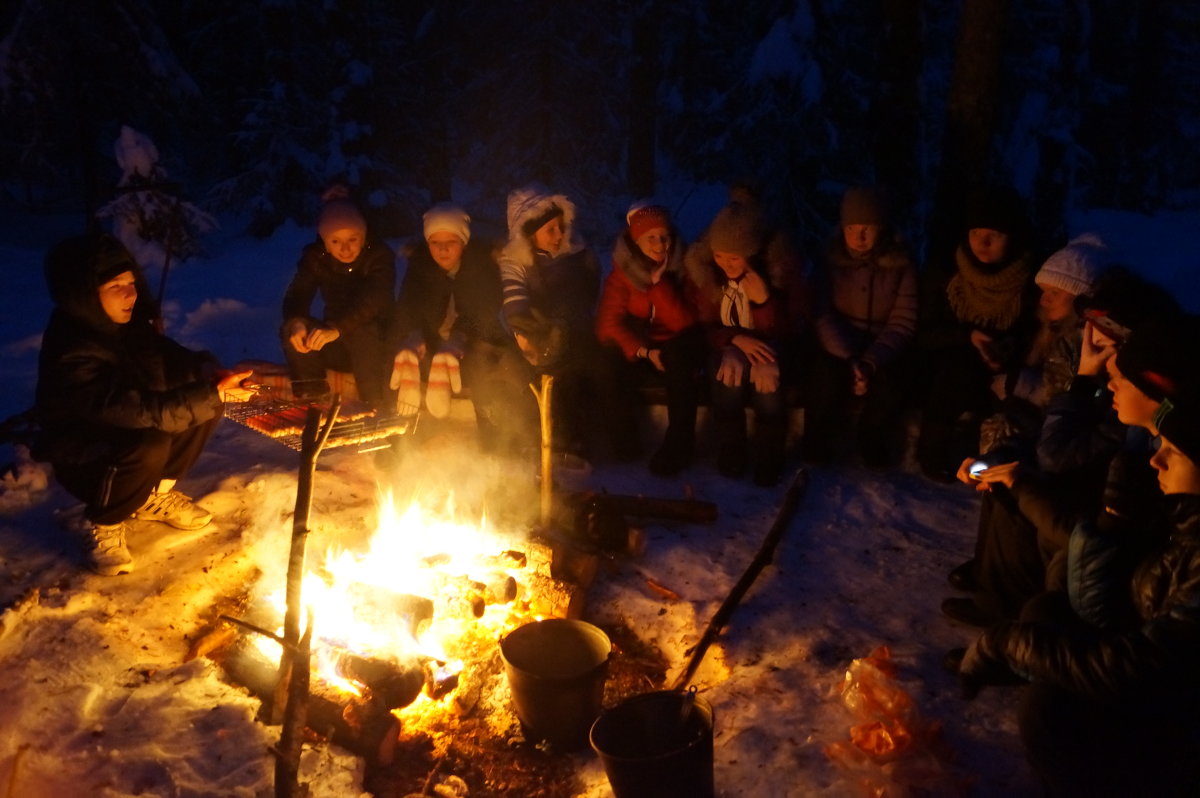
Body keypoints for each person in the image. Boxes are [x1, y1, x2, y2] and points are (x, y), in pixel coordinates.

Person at [951, 371, 1200, 796]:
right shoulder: (1183, 518)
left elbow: (1138, 668)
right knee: (1047, 613)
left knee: (1048, 708)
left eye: (1172, 454)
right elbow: (1122, 596)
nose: (1158, 459)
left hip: (1183, 727)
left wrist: (1010, 645)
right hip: (1160, 670)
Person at [942, 270, 1180, 628]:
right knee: (1003, 468)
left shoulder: (1139, 402)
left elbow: (1056, 457)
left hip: (1108, 521)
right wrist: (997, 456)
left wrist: (1083, 380)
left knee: (1024, 485)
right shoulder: (1110, 383)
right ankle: (993, 578)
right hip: (1089, 489)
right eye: (1088, 328)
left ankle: (1013, 608)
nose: (1088, 339)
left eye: (1101, 336)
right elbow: (1047, 429)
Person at [33, 233, 252, 576]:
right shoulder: (73, 352)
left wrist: (207, 370)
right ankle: (104, 521)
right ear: (87, 295)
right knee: (150, 439)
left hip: (124, 428)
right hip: (82, 453)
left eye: (132, 282)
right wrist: (212, 395)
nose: (131, 294)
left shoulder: (125, 324)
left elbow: (165, 354)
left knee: (204, 397)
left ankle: (151, 495)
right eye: (115, 285)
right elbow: (139, 410)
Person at [683, 187, 806, 486]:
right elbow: (704, 326)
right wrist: (735, 342)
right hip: (726, 347)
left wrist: (763, 302)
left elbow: (793, 327)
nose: (726, 263)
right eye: (720, 255)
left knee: (767, 382)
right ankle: (732, 448)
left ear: (751, 254)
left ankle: (769, 454)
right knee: (727, 376)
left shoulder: (781, 272)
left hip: (774, 346)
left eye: (735, 258)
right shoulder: (708, 277)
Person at [916, 186, 1039, 480]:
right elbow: (926, 330)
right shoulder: (950, 274)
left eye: (993, 236)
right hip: (948, 361)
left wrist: (1008, 348)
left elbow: (1035, 330)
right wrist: (967, 336)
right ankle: (933, 455)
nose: (982, 243)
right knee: (957, 372)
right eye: (975, 233)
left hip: (1004, 364)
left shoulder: (1028, 281)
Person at [389, 202, 531, 452]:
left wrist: (457, 340)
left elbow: (483, 312)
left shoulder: (481, 265)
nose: (442, 250)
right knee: (401, 358)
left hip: (474, 341)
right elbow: (408, 308)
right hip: (433, 344)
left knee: (485, 366)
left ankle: (497, 442)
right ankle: (400, 443)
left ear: (463, 243)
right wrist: (414, 337)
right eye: (435, 243)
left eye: (451, 242)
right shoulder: (420, 266)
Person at [805, 186, 918, 467]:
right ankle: (818, 443)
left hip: (882, 345)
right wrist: (850, 358)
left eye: (867, 228)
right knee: (825, 377)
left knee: (891, 383)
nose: (859, 236)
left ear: (882, 228)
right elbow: (822, 314)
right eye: (852, 228)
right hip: (839, 343)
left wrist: (870, 360)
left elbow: (903, 321)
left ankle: (872, 441)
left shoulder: (901, 265)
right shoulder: (830, 262)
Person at [498, 184, 613, 458]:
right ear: (529, 233)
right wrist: (529, 336)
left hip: (574, 332)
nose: (559, 234)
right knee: (514, 368)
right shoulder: (515, 261)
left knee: (574, 368)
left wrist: (560, 329)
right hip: (537, 333)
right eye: (550, 229)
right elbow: (515, 304)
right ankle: (528, 439)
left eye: (560, 226)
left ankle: (571, 441)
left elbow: (583, 300)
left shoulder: (576, 256)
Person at [595, 200, 703, 475]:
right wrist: (643, 351)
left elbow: (686, 324)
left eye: (663, 237)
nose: (659, 245)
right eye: (650, 238)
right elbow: (607, 324)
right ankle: (625, 442)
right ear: (636, 241)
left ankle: (679, 445)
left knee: (679, 360)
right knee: (606, 359)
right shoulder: (623, 274)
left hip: (675, 346)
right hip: (642, 348)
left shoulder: (685, 267)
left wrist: (658, 285)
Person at [280, 189, 395, 411]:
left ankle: (376, 405)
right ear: (326, 243)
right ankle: (312, 400)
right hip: (338, 343)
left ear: (363, 238)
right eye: (335, 241)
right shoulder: (317, 258)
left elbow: (374, 300)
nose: (345, 248)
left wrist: (336, 328)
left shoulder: (379, 256)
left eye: (352, 239)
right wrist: (296, 322)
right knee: (293, 330)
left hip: (379, 345)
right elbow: (297, 294)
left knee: (363, 331)